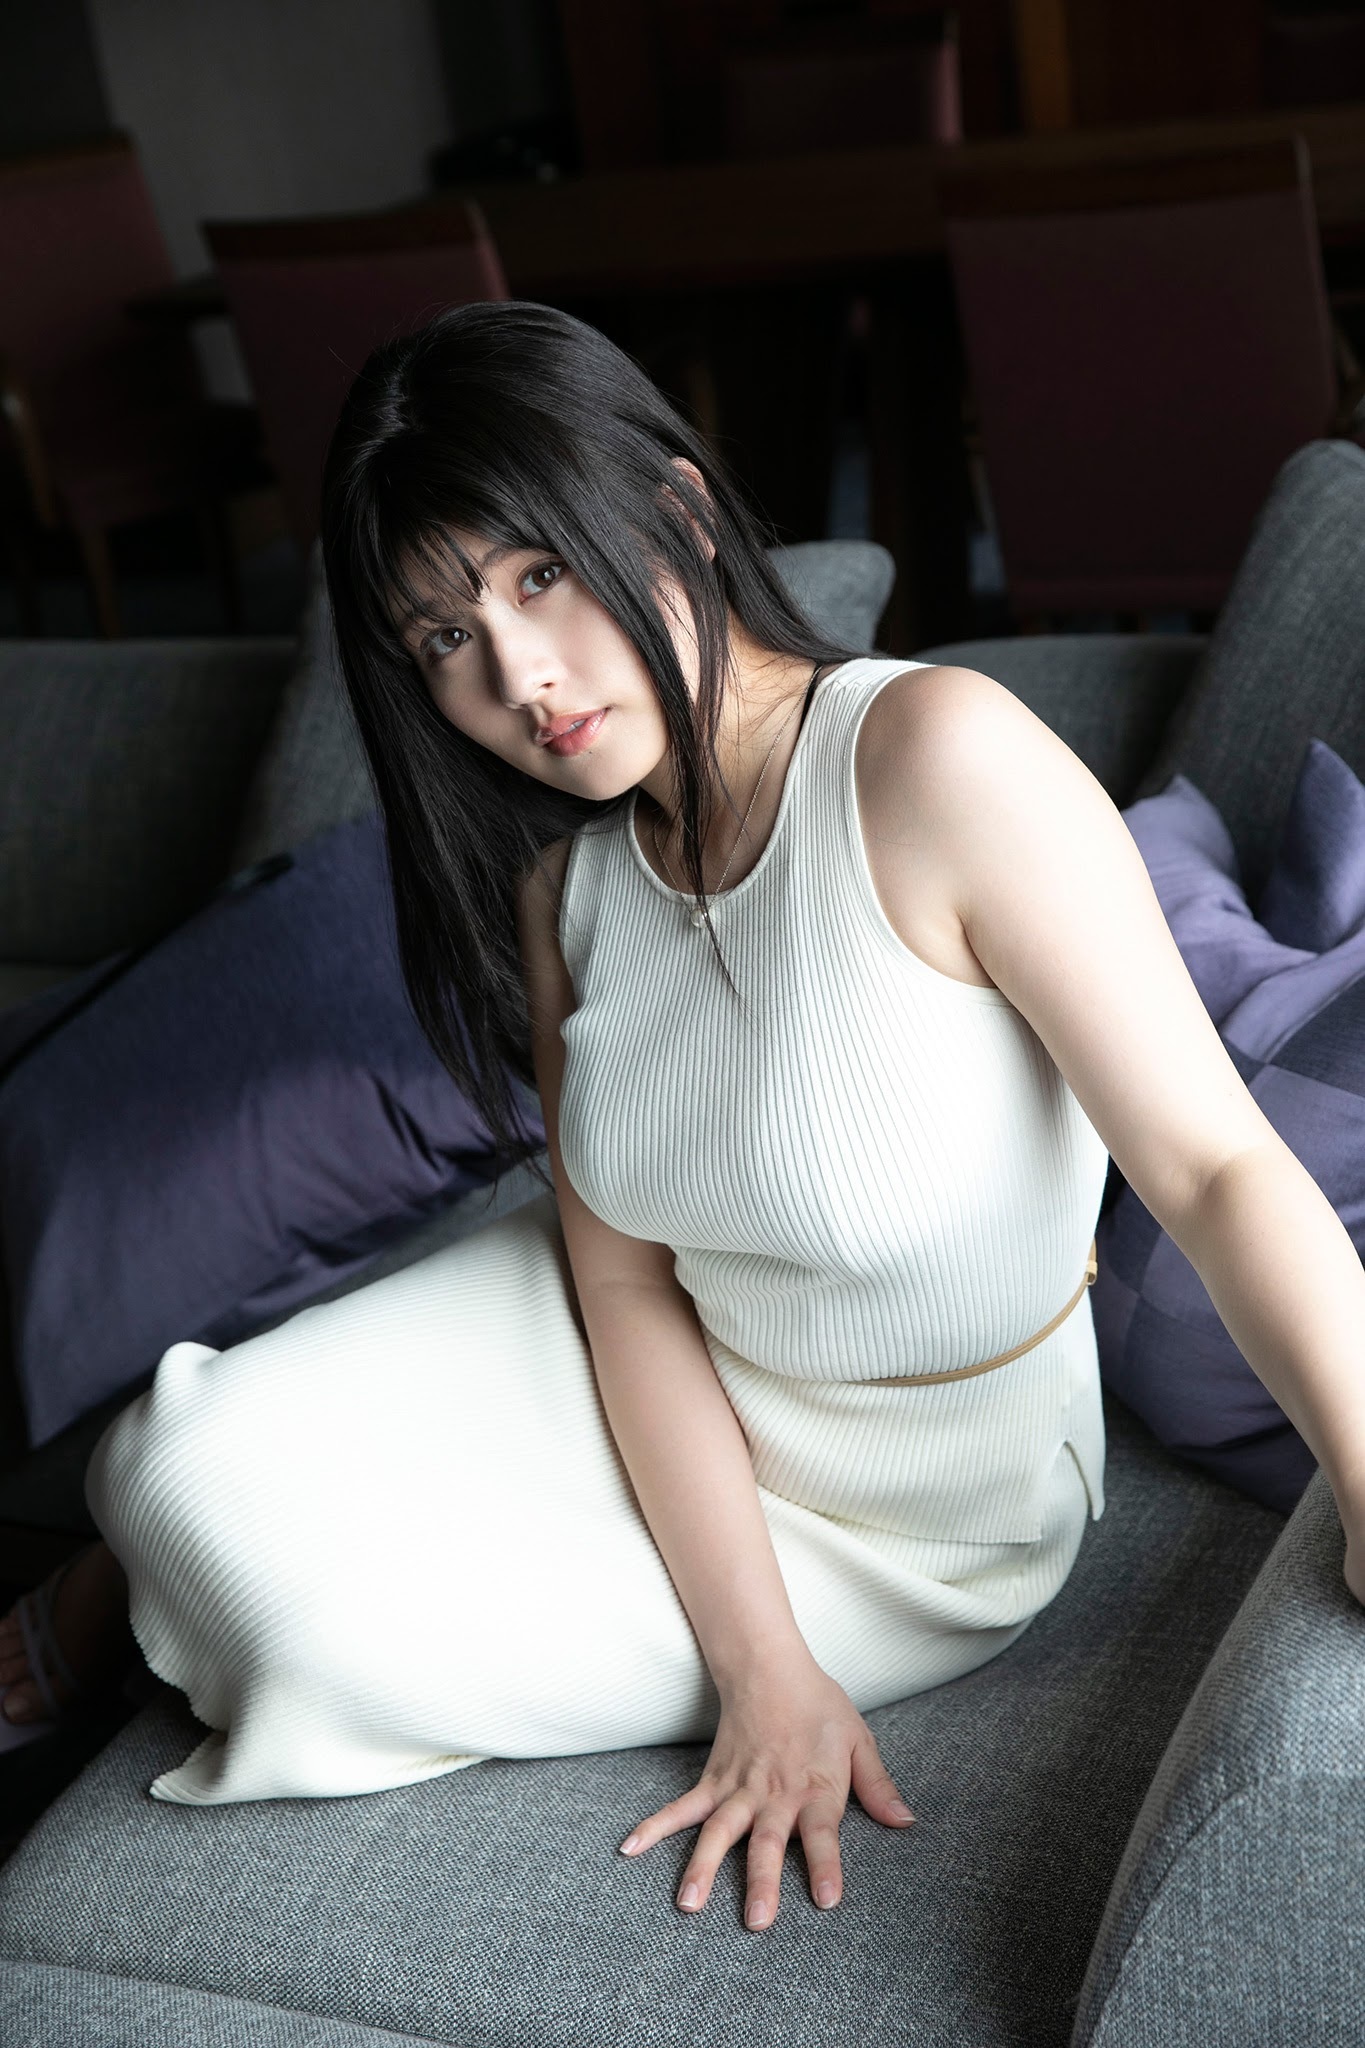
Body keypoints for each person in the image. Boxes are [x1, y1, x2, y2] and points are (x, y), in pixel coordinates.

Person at [4, 303, 1365, 1940]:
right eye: (441, 636)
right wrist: (752, 1656)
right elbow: (628, 1287)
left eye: (536, 576)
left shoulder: (932, 757)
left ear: (676, 509)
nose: (517, 677)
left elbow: (1213, 1169)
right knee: (172, 1467)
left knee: (293, 1626)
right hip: (624, 1353)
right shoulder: (563, 890)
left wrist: (1364, 1473)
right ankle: (103, 1585)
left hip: (910, 1510)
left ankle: (110, 1607)